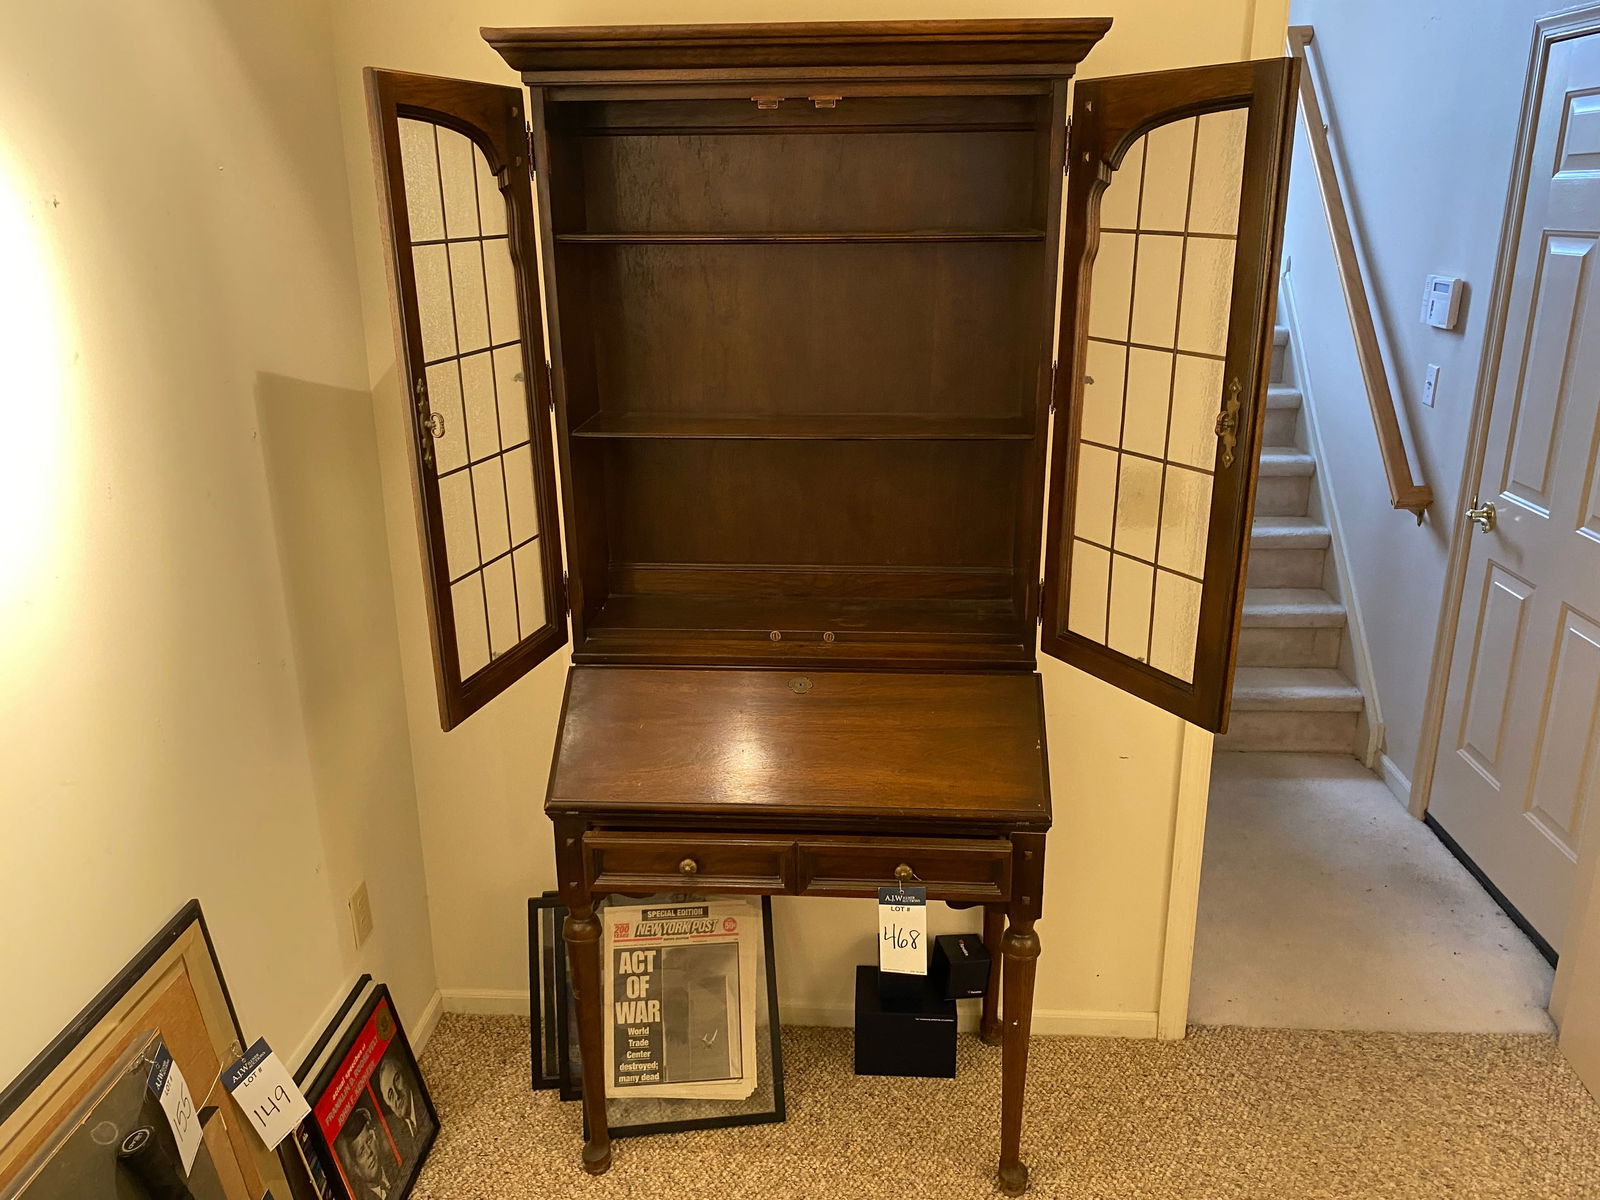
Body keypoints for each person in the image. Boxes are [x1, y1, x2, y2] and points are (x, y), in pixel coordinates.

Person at [334, 1103, 394, 1200]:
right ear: (355, 1168)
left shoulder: (397, 1164)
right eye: (361, 1152)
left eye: (369, 1140)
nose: (369, 1152)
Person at [376, 1055, 424, 1165]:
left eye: (396, 1080)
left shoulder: (422, 1100)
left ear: (404, 1074)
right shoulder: (397, 1137)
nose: (397, 1096)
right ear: (388, 1104)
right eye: (390, 1094)